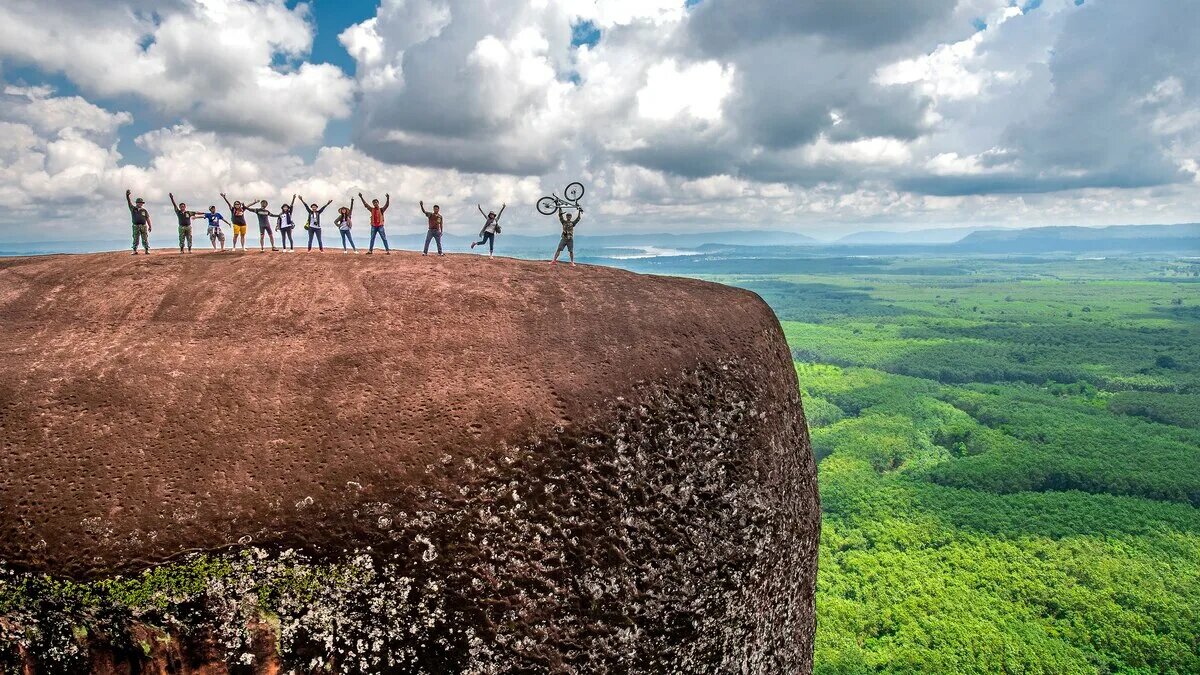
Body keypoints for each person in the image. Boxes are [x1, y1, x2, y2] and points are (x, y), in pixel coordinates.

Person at [125, 190, 152, 255]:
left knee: (145, 238)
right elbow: (129, 202)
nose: (140, 203)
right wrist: (127, 196)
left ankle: (146, 250)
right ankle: (134, 250)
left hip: (143, 226)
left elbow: (147, 218)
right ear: (136, 203)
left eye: (141, 203)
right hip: (135, 226)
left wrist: (150, 226)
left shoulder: (144, 210)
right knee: (135, 238)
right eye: (139, 202)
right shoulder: (133, 209)